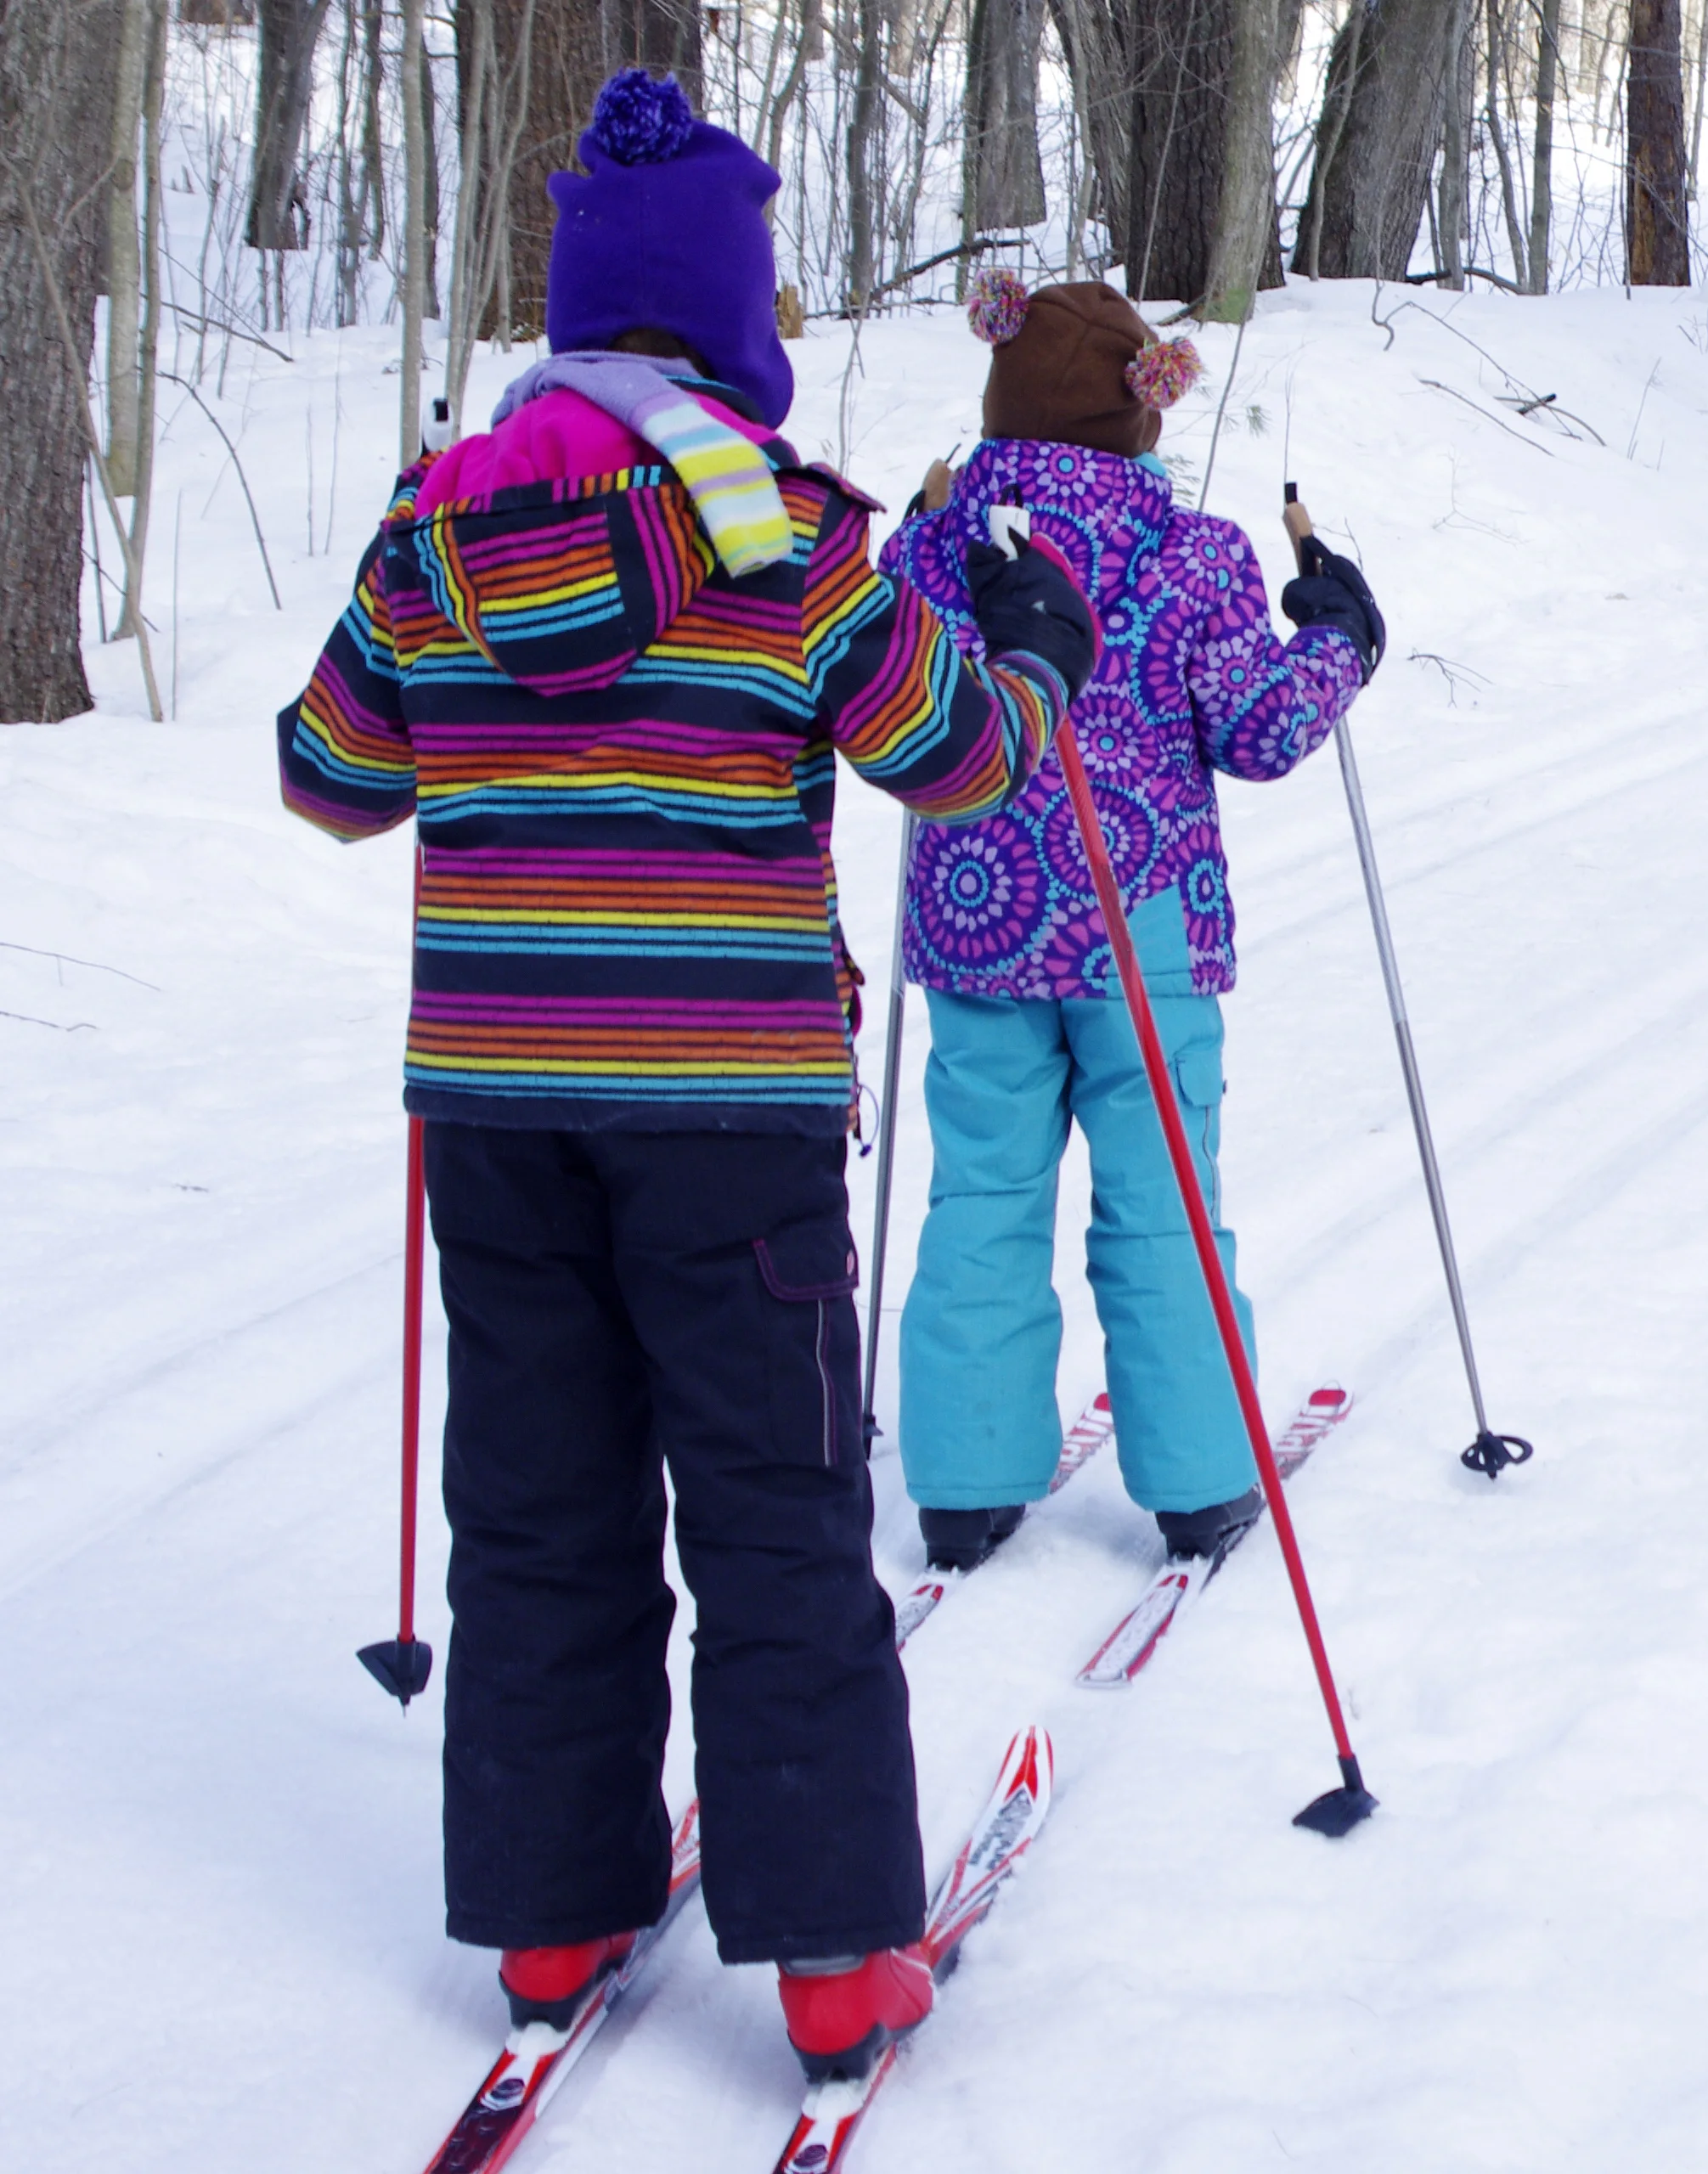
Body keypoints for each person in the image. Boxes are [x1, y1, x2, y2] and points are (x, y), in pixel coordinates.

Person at [273, 73, 1100, 2083]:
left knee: (538, 1500)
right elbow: (955, 755)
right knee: (774, 1503)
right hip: (726, 1109)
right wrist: (1037, 658)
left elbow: (330, 777)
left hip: (495, 1101)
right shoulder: (793, 535)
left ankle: (555, 1914)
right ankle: (833, 1954)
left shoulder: (438, 523)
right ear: (727, 320)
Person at [882, 275, 1384, 1577]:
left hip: (978, 918)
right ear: (1138, 412)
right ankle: (1202, 1481)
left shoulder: (934, 548)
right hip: (1137, 920)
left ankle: (965, 1478)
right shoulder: (1192, 555)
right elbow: (1262, 730)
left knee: (982, 1184)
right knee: (1162, 1196)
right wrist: (1339, 637)